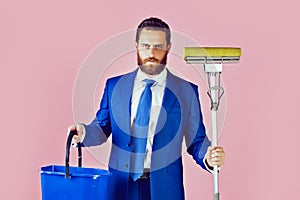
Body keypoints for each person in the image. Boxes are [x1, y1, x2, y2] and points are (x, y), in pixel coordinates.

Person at [68, 17, 225, 200]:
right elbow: (101, 127)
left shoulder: (186, 91)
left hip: (165, 188)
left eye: (158, 46)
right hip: (121, 187)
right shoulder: (114, 86)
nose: (151, 52)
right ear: (136, 46)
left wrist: (208, 156)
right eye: (146, 46)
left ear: (168, 47)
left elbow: (196, 139)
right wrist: (84, 133)